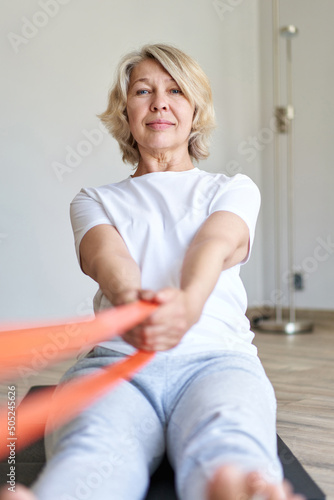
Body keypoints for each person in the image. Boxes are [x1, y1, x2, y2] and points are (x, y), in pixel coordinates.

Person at [0, 44, 303, 500]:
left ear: (195, 110)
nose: (159, 101)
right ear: (125, 113)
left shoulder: (233, 188)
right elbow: (108, 263)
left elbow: (214, 244)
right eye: (143, 90)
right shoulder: (94, 199)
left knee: (229, 443)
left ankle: (237, 489)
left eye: (175, 90)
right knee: (97, 447)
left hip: (216, 360)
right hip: (116, 363)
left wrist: (188, 303)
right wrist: (135, 303)